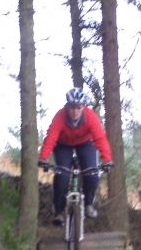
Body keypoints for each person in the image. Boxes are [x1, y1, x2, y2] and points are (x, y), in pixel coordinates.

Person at [38, 87, 114, 225]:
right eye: (72, 107)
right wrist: (43, 157)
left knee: (92, 174)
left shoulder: (90, 117)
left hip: (85, 143)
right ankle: (59, 211)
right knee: (62, 175)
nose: (75, 111)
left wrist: (107, 159)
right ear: (67, 106)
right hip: (63, 145)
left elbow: (100, 138)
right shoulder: (60, 117)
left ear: (83, 107)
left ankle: (88, 204)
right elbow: (51, 137)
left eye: (78, 107)